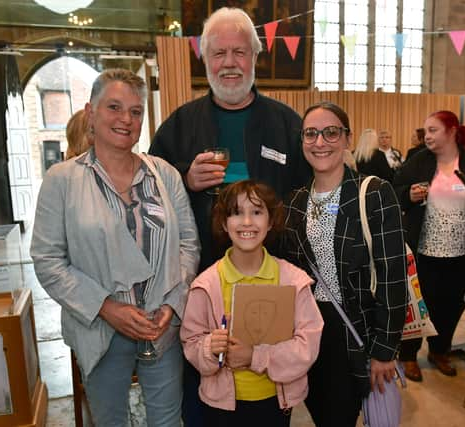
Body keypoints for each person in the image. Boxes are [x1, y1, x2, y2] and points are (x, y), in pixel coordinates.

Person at [148, 7, 311, 425]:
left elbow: (308, 198)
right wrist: (184, 180)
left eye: (240, 52)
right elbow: (149, 201)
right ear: (204, 59)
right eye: (219, 53)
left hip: (272, 281)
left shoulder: (287, 124)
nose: (230, 63)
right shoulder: (178, 127)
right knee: (207, 397)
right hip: (202, 285)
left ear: (255, 58)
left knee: (267, 395)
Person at [31, 69, 200, 426]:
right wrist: (106, 307)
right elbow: (48, 261)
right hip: (100, 330)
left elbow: (188, 242)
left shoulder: (164, 174)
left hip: (161, 327)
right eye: (114, 107)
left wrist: (174, 301)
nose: (126, 119)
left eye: (135, 111)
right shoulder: (62, 180)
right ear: (91, 113)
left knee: (168, 420)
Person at [281, 102, 407, 427]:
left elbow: (393, 276)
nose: (320, 142)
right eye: (311, 133)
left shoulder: (374, 193)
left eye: (331, 132)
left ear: (347, 138)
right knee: (320, 411)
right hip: (308, 330)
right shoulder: (296, 201)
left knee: (340, 415)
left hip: (354, 330)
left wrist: (385, 350)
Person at [180, 180, 323, 427]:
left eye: (257, 212)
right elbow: (191, 342)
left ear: (270, 222)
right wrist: (209, 347)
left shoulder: (292, 280)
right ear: (224, 223)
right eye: (236, 213)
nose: (247, 222)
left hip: (274, 403)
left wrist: (255, 356)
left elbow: (307, 345)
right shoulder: (206, 284)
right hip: (221, 406)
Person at [394, 110, 465, 382]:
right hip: (424, 250)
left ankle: (440, 350)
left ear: (452, 131)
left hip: (462, 251)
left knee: (450, 304)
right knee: (420, 303)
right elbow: (394, 191)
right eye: (426, 131)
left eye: (433, 130)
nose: (427, 136)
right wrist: (407, 195)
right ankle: (408, 355)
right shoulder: (417, 161)